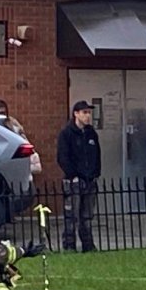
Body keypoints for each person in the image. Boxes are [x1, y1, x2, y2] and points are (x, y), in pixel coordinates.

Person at [56, 100, 101, 253]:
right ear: (76, 113)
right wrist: (72, 174)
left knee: (87, 215)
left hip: (90, 179)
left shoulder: (91, 133)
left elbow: (96, 155)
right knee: (72, 216)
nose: (87, 116)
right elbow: (63, 156)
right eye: (84, 112)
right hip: (74, 180)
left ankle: (88, 245)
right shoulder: (66, 133)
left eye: (89, 112)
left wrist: (95, 173)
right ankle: (69, 245)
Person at [0, 99, 41, 177]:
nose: (2, 116)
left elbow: (23, 140)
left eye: (4, 113)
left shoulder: (12, 124)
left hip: (14, 157)